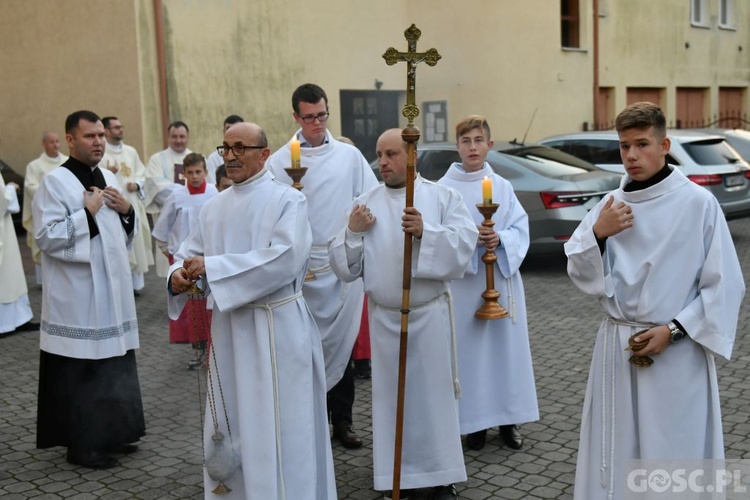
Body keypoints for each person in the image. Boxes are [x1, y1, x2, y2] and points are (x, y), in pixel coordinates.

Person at [565, 102, 745, 500]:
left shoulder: (697, 204)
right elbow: (578, 268)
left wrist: (675, 330)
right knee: (617, 448)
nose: (630, 156)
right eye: (624, 146)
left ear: (664, 145)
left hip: (674, 352)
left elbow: (725, 285)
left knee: (672, 453)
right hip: (617, 347)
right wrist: (598, 233)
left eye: (641, 144)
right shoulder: (610, 205)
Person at [167, 122, 336, 499]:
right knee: (234, 421)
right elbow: (186, 254)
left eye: (241, 147)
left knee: (282, 424)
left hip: (277, 329)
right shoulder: (213, 208)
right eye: (226, 148)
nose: (231, 155)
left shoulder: (287, 201)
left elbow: (286, 259)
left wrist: (215, 267)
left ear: (264, 153)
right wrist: (178, 275)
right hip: (229, 333)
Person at [329, 128, 478, 499]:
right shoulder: (365, 203)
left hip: (427, 317)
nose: (382, 162)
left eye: (391, 154)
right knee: (391, 402)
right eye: (378, 154)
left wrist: (427, 231)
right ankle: (395, 478)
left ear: (412, 155)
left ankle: (440, 476)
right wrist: (352, 231)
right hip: (385, 319)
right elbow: (345, 268)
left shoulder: (443, 197)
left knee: (431, 401)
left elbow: (464, 246)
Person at [267, 83, 378, 449]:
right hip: (297, 270)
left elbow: (369, 199)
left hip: (340, 265)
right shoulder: (279, 161)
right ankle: (306, 423)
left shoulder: (349, 158)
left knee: (341, 346)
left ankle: (342, 422)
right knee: (301, 350)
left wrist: (356, 232)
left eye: (323, 115)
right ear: (296, 117)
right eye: (310, 117)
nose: (317, 122)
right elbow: (267, 209)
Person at [33, 110, 145, 469]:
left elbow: (120, 237)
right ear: (70, 139)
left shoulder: (109, 175)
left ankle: (112, 433)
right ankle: (82, 446)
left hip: (112, 293)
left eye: (100, 135)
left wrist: (128, 212)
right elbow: (46, 238)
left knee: (113, 364)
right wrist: (86, 214)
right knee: (83, 372)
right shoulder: (56, 182)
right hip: (78, 297)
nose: (98, 141)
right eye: (89, 136)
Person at [437, 115, 539, 451]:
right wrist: (470, 242)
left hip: (501, 283)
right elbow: (440, 236)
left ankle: (508, 420)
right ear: (457, 146)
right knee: (471, 357)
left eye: (479, 140)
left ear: (490, 145)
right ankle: (475, 424)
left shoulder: (503, 186)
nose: (472, 147)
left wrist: (501, 239)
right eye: (466, 141)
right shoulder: (443, 189)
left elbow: (520, 229)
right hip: (466, 286)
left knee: (504, 353)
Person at [153, 153, 217, 365]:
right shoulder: (177, 196)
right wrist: (168, 251)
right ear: (184, 174)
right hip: (185, 260)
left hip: (208, 258)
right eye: (190, 173)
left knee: (208, 306)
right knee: (193, 308)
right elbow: (162, 226)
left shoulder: (214, 193)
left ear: (206, 172)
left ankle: (212, 349)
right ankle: (198, 351)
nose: (195, 176)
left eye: (198, 172)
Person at [101, 116, 154, 294]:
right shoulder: (101, 151)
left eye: (121, 126)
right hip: (112, 207)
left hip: (131, 204)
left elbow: (141, 172)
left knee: (135, 243)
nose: (120, 130)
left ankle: (134, 285)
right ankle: (119, 284)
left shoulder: (130, 151)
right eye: (116, 127)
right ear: (106, 131)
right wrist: (108, 173)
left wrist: (137, 184)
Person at [1, 127, 39, 335]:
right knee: (5, 277)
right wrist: (10, 189)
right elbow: (1, 200)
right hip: (1, 228)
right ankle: (5, 323)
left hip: (5, 228)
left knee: (11, 274)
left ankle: (19, 319)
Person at [144, 120, 192, 277]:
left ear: (187, 137)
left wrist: (183, 195)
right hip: (169, 223)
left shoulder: (196, 158)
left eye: (182, 136)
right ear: (169, 137)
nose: (178, 140)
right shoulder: (157, 159)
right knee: (171, 275)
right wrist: (187, 193)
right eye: (174, 136)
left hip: (193, 224)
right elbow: (156, 187)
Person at [22, 131, 68, 284]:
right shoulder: (34, 166)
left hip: (65, 211)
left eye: (57, 141)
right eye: (51, 142)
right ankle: (43, 281)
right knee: (43, 244)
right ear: (44, 144)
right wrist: (52, 191)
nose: (55, 145)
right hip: (44, 212)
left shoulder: (68, 162)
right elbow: (30, 186)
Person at [205, 114, 243, 184]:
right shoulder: (214, 158)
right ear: (223, 131)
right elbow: (213, 184)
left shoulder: (250, 153)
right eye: (228, 128)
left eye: (236, 128)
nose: (232, 132)